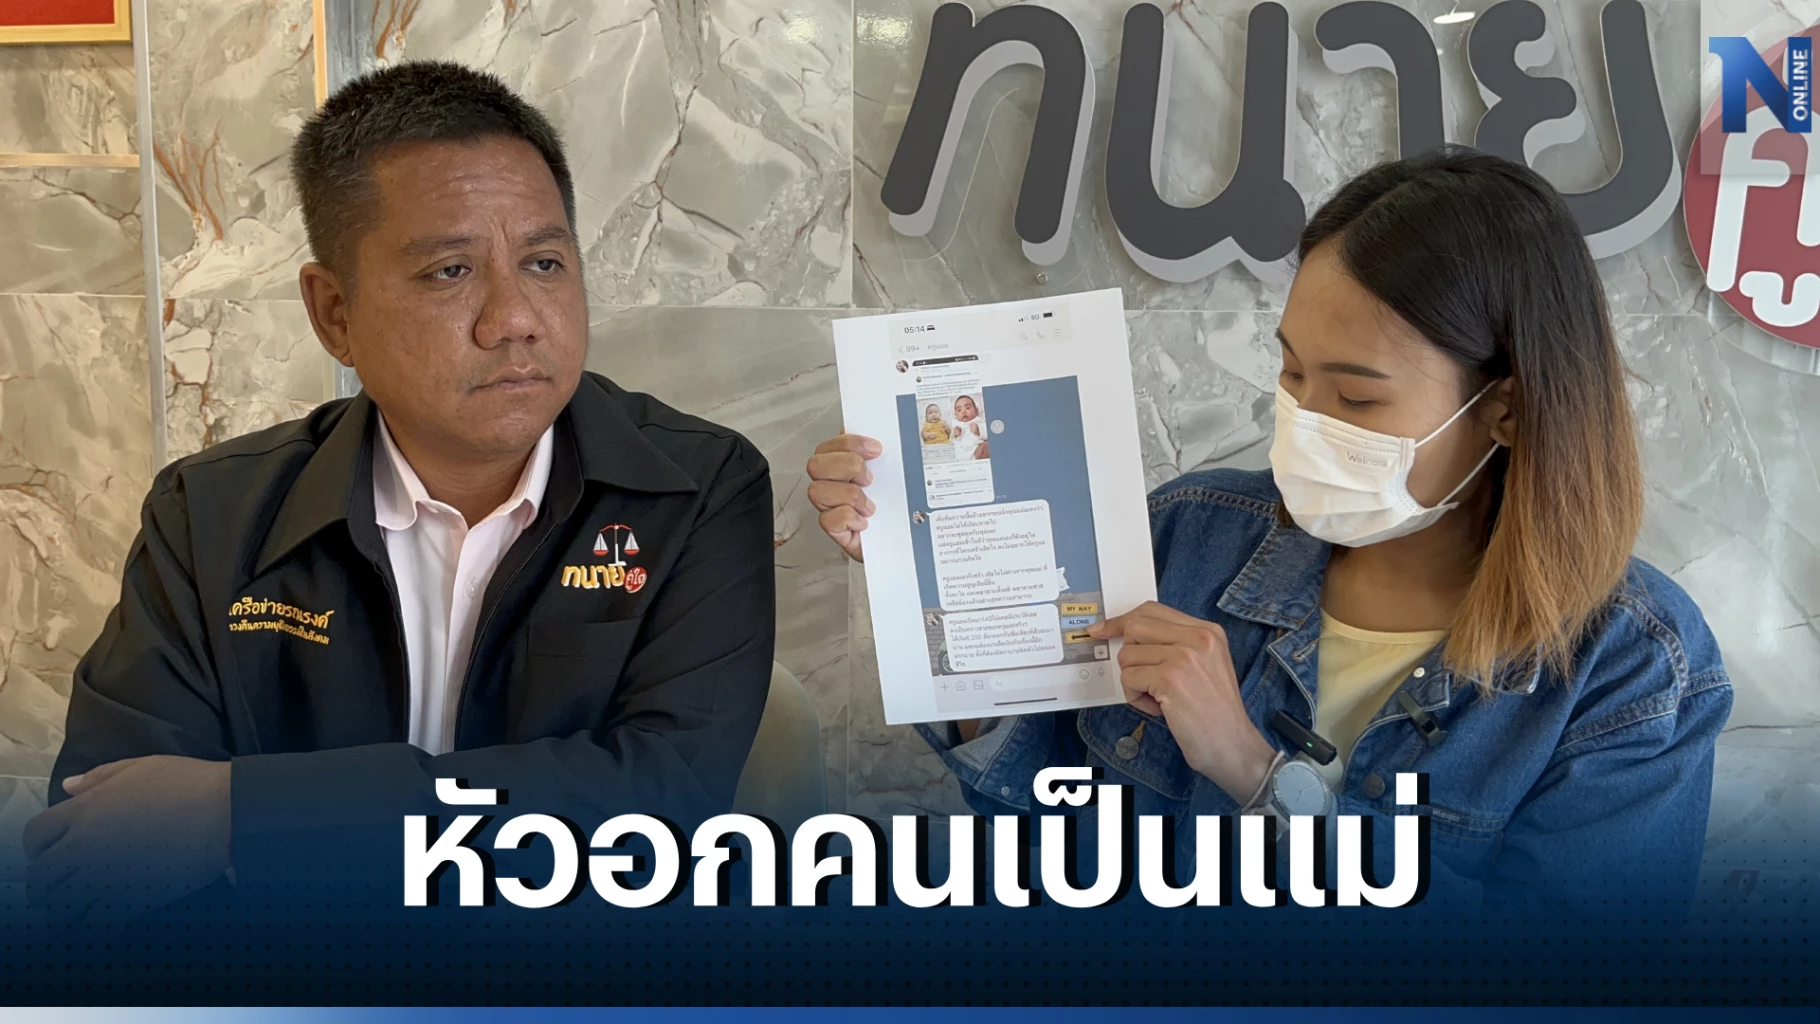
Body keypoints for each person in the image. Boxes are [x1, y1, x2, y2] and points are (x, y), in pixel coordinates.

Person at [805, 148, 1731, 907]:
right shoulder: (1186, 538)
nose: (1306, 422)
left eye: (1356, 398)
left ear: (1508, 410)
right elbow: (1041, 830)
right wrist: (934, 580)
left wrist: (1254, 771)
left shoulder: (1631, 669)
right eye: (1292, 375)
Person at [25, 62, 776, 917]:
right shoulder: (210, 515)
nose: (515, 318)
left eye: (544, 262)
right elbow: (106, 844)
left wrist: (245, 817)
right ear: (334, 314)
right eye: (450, 272)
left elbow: (661, 808)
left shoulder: (695, 490)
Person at [949, 393, 988, 460]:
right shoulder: (956, 424)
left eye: (967, 408)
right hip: (963, 455)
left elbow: (988, 434)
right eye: (959, 410)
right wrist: (956, 436)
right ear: (955, 415)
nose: (963, 412)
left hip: (977, 452)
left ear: (976, 410)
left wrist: (979, 431)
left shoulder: (979, 421)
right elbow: (950, 441)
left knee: (987, 446)